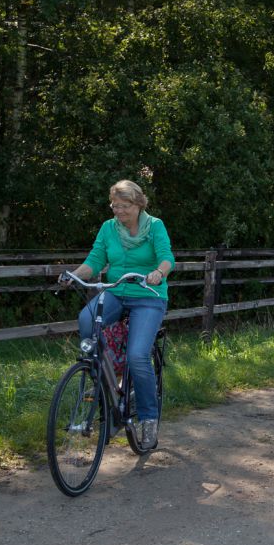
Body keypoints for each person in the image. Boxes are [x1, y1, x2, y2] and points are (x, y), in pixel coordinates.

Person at [61, 180, 174, 450]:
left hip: (148, 295)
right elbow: (95, 260)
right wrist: (76, 275)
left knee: (137, 356)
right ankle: (105, 380)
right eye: (115, 206)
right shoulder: (108, 228)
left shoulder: (155, 226)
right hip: (115, 291)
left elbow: (167, 257)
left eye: (124, 206)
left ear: (138, 205)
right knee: (87, 320)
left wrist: (159, 272)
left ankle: (148, 419)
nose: (119, 212)